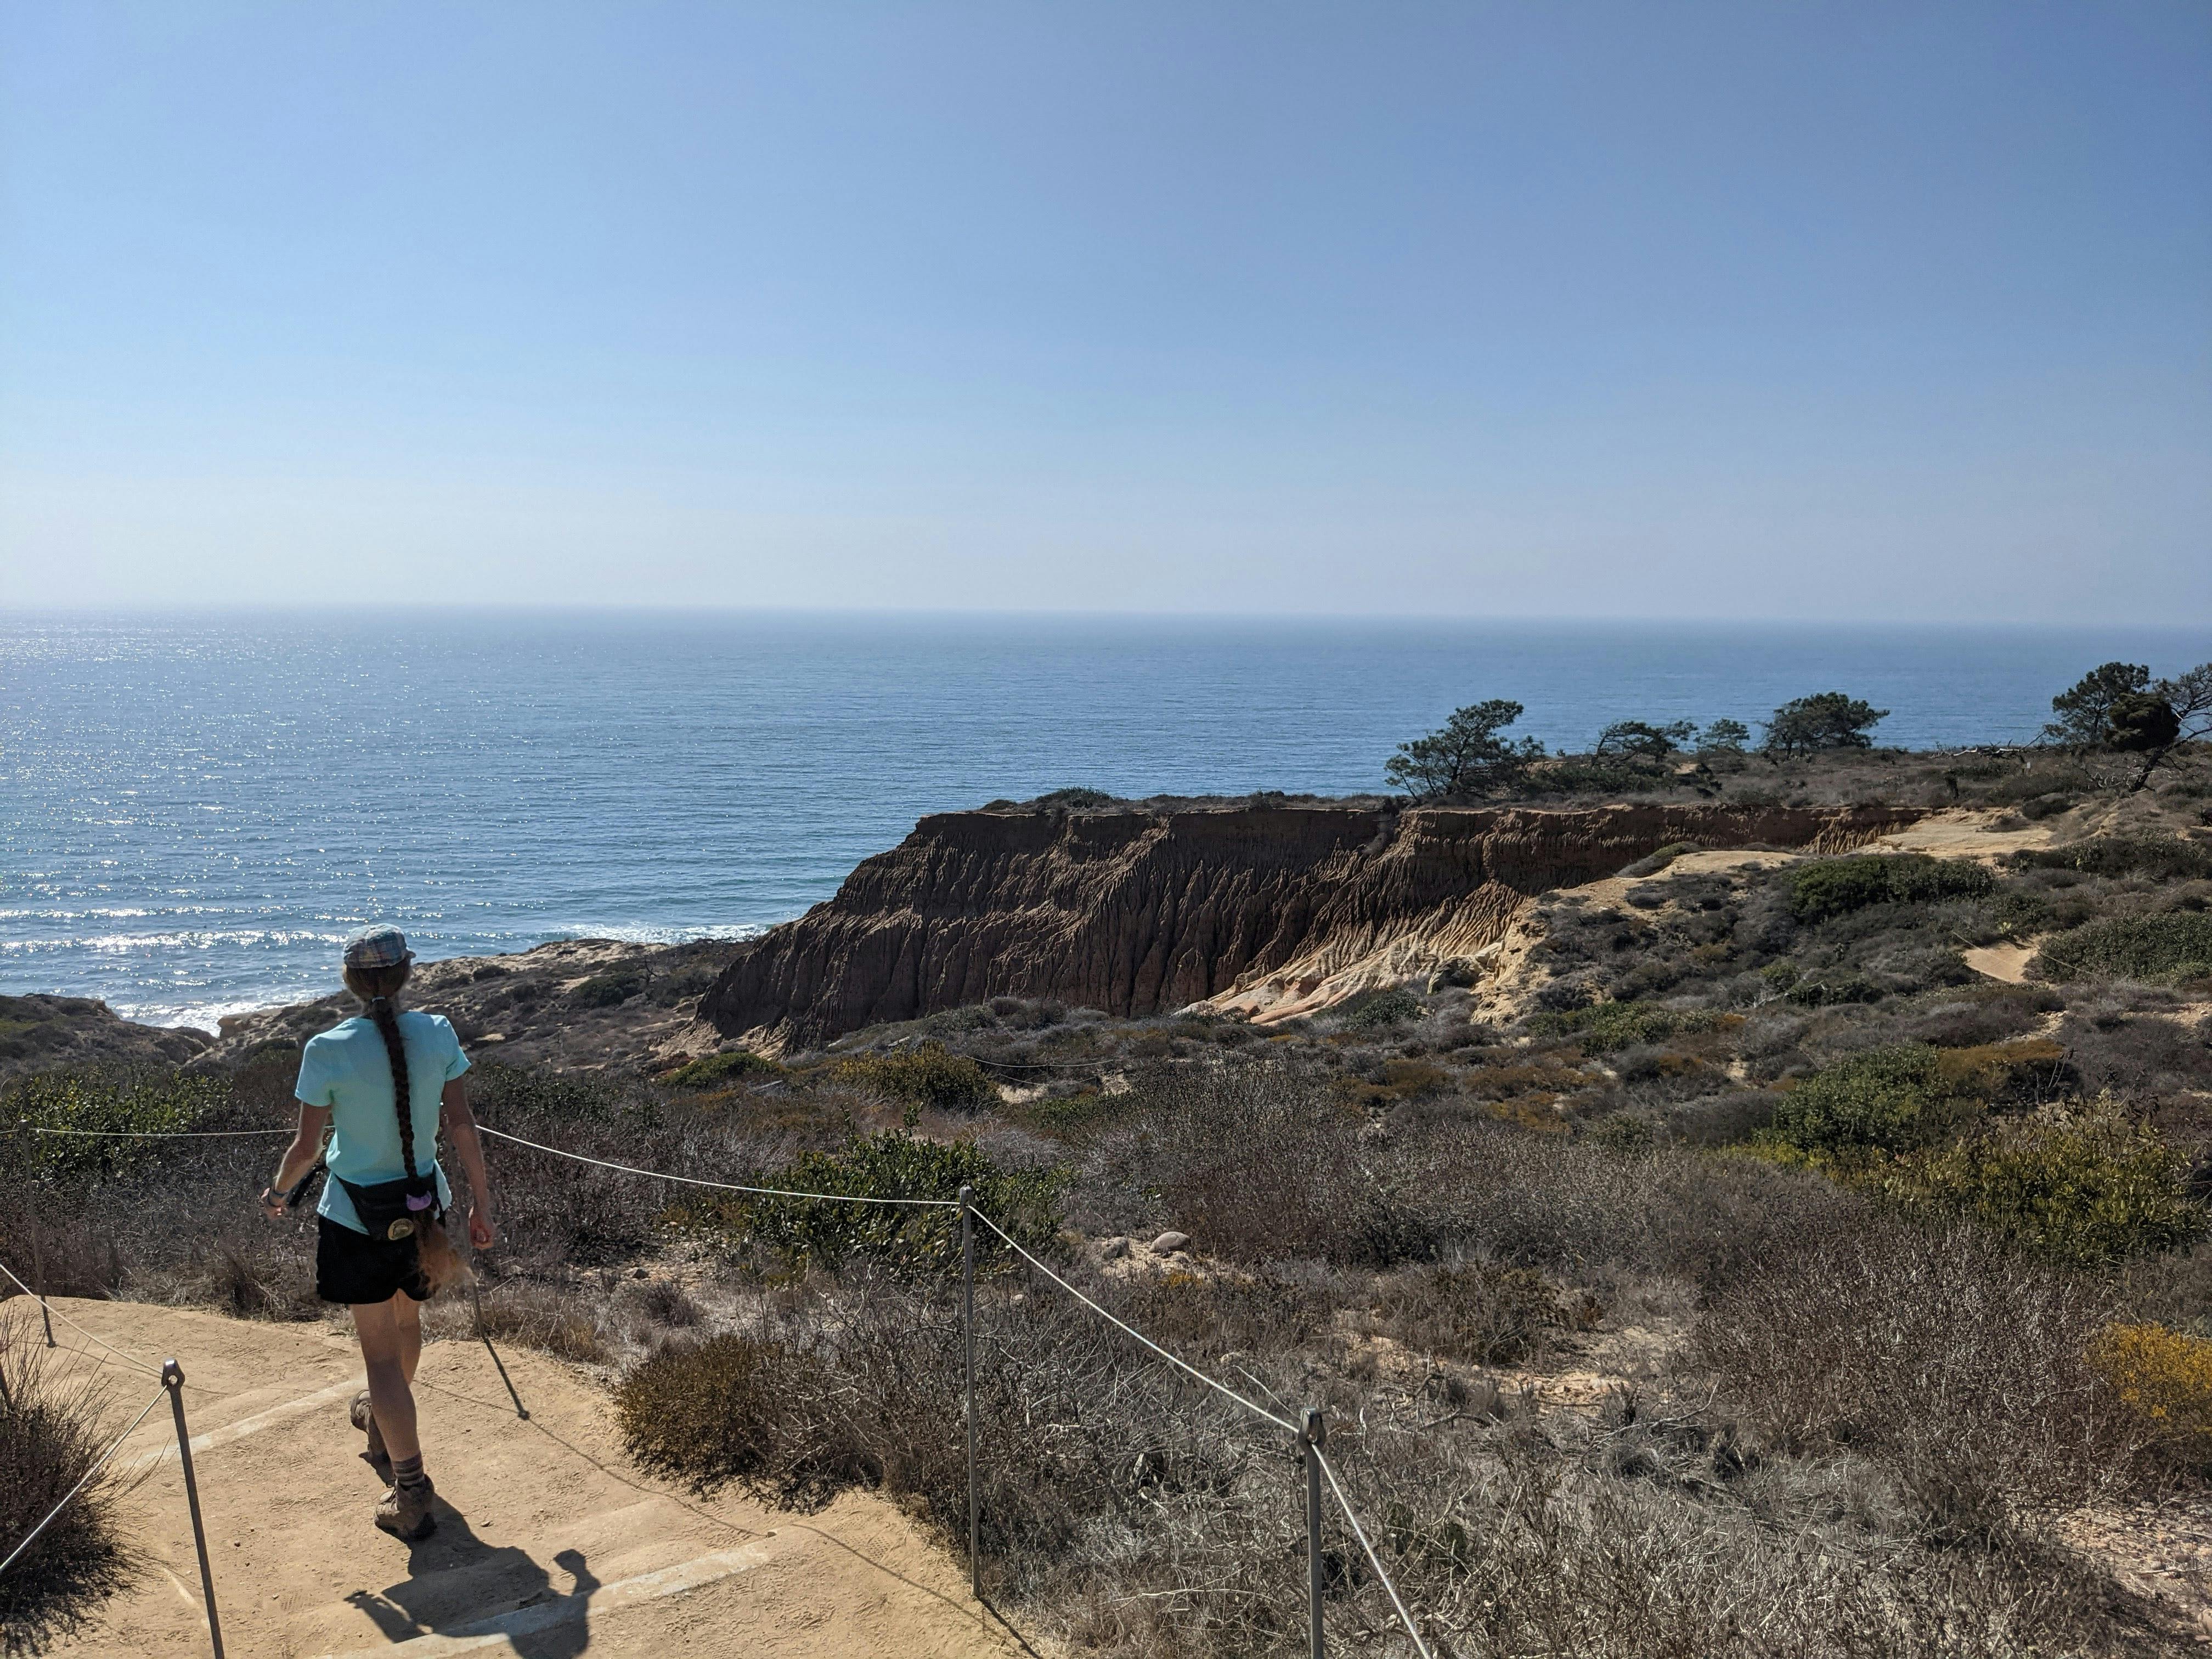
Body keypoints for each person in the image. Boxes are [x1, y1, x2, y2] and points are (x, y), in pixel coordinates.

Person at [260, 926, 496, 1541]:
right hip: (425, 1211)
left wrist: (279, 1193)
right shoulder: (438, 1033)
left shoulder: (327, 1048)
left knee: (378, 1358)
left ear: (350, 982)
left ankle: (411, 1488)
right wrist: (482, 1206)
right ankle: (386, 1426)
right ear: (406, 975)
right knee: (407, 1327)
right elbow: (464, 1126)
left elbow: (307, 1149)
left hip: (356, 1218)